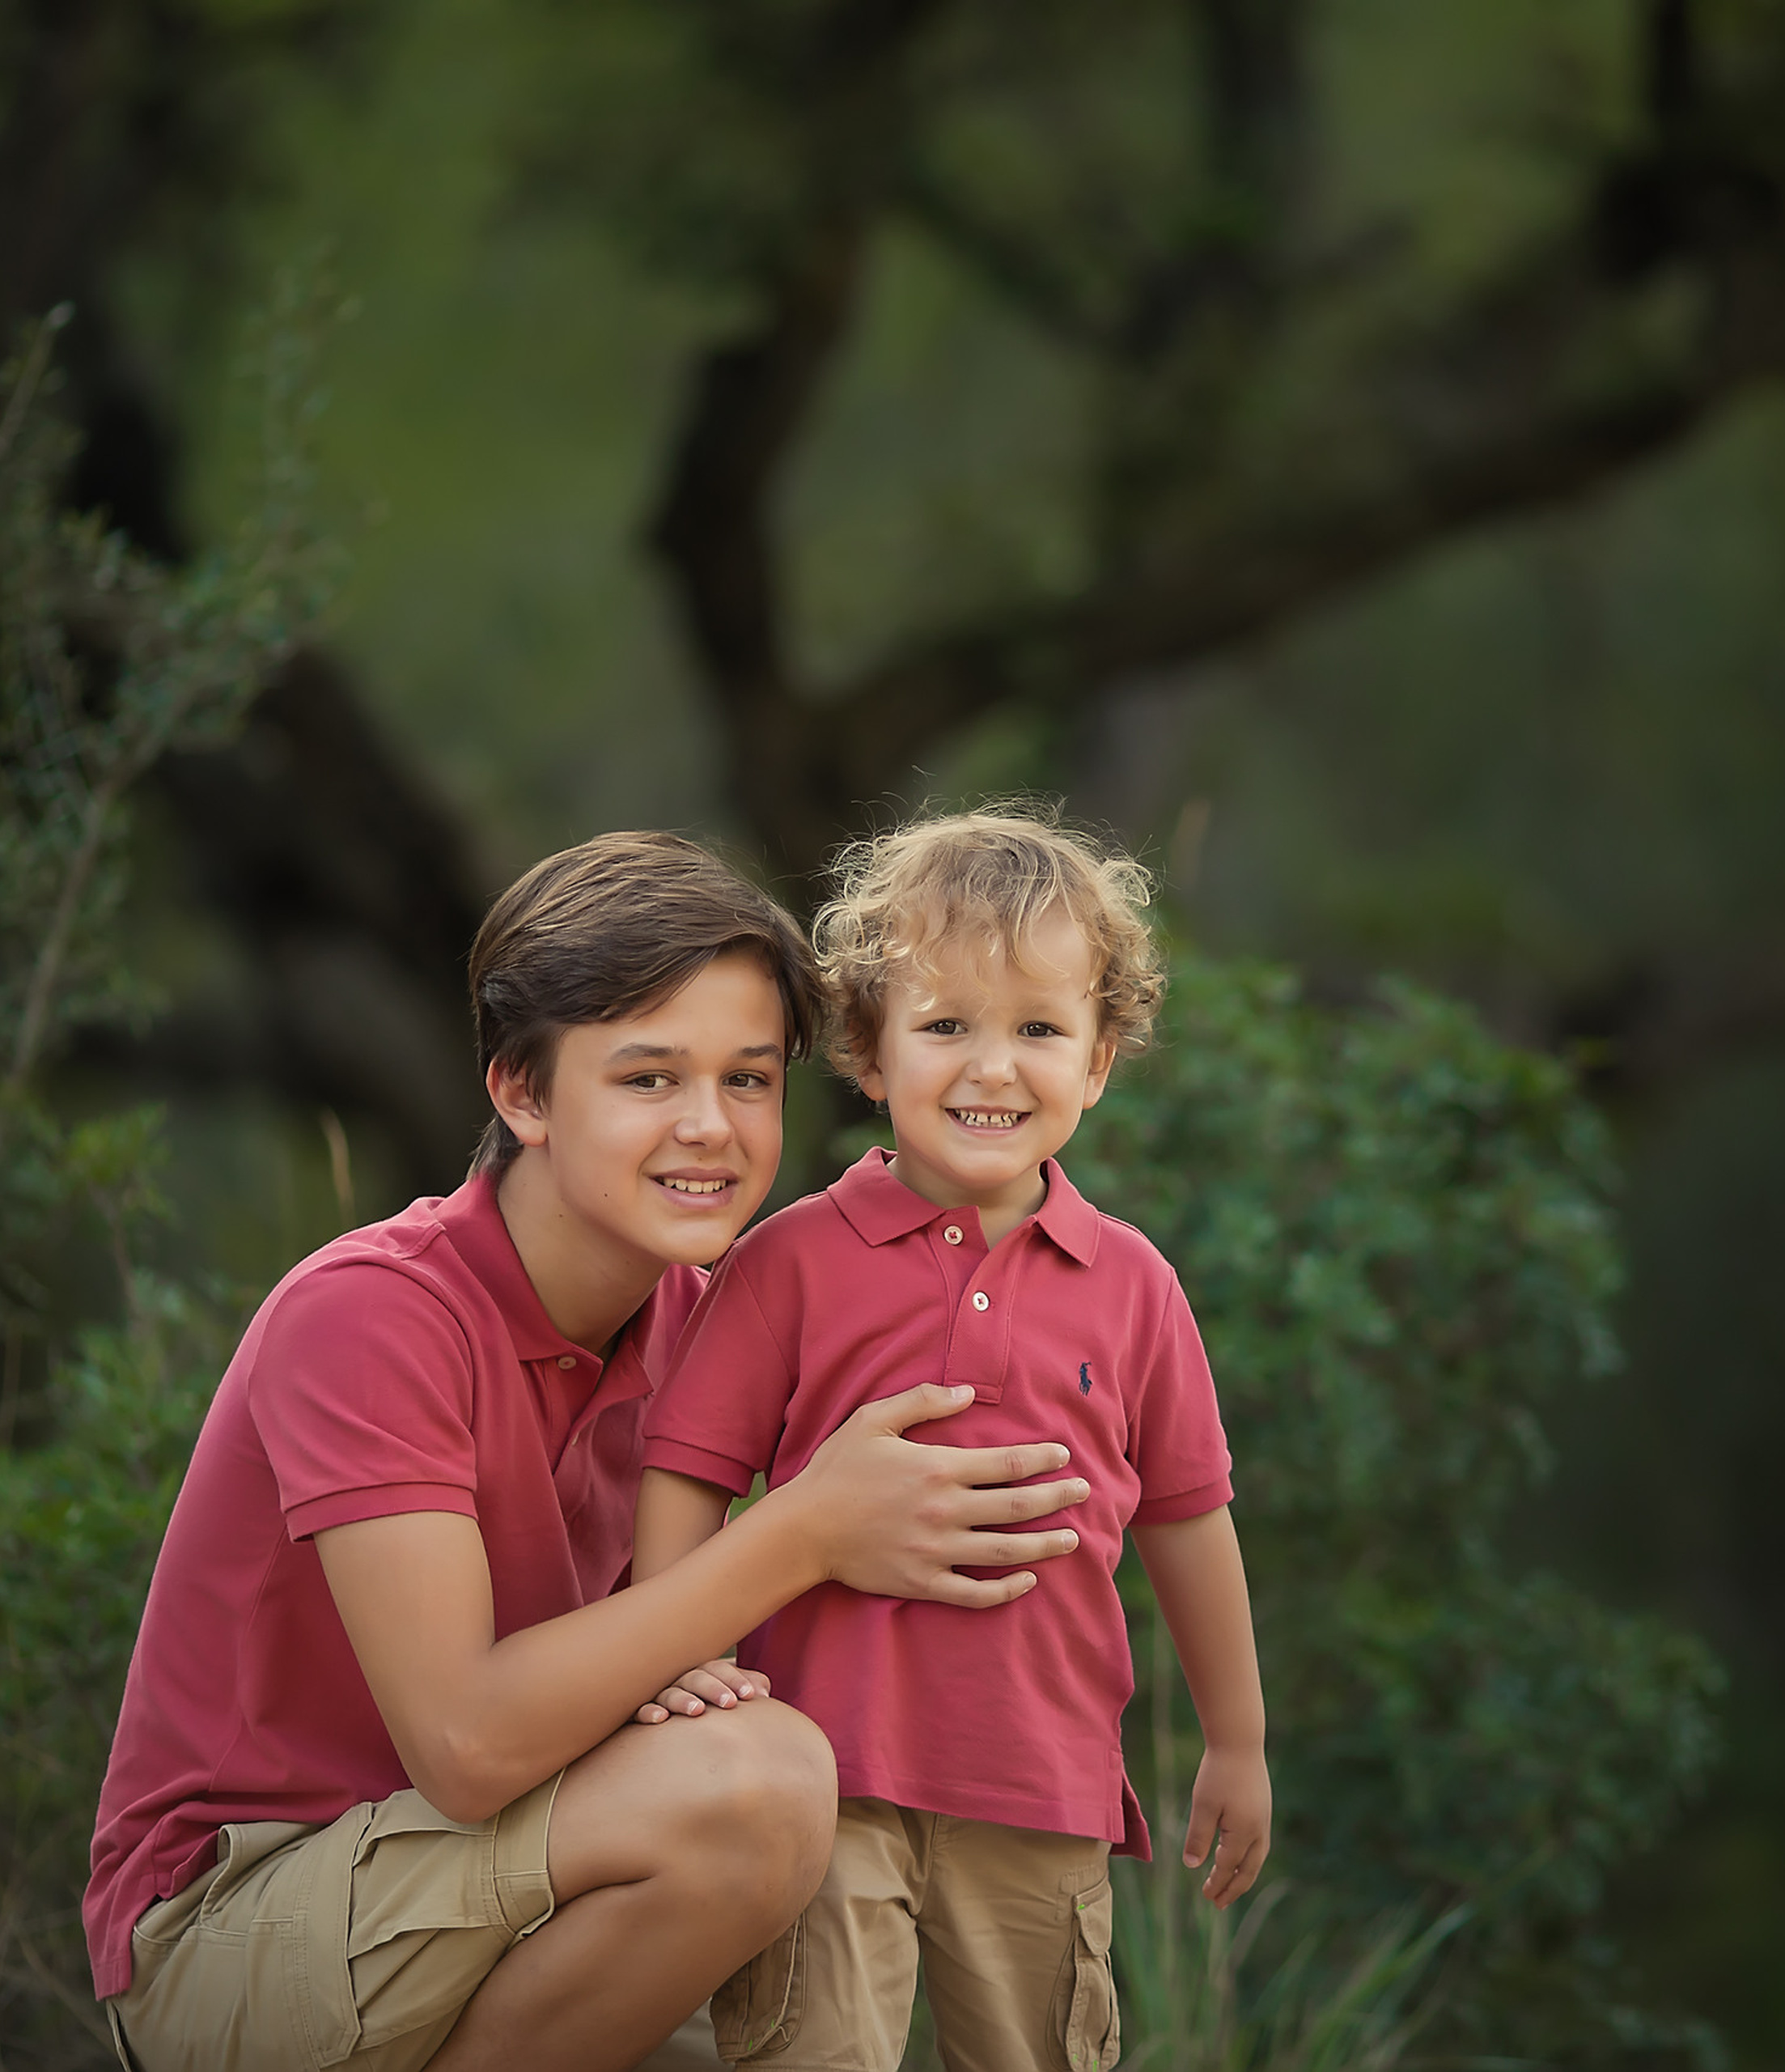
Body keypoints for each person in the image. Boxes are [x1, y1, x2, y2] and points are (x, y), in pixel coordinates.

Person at [83, 830, 1091, 2072]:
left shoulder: (707, 1328)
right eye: (649, 1079)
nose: (711, 1128)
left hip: (517, 1876)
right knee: (758, 1788)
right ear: (521, 1093)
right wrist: (806, 1528)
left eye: (751, 1079)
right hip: (237, 1930)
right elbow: (466, 1749)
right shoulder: (370, 1315)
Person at [633, 809, 1271, 2072]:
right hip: (820, 1783)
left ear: (1098, 1062)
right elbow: (688, 1468)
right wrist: (678, 1646)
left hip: (1041, 1789)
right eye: (945, 1027)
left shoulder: (1134, 1286)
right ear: (868, 1053)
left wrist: (1238, 1742)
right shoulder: (790, 1262)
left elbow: (1191, 1519)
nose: (992, 1067)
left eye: (1039, 1029)